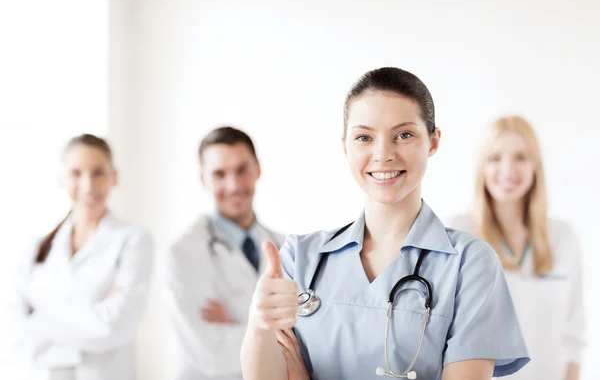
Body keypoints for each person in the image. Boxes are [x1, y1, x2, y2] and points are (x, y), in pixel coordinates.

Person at [240, 67, 530, 380]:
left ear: (433, 142)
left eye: (404, 135)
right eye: (364, 137)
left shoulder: (469, 264)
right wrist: (260, 323)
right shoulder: (300, 257)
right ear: (345, 146)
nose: (383, 154)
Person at [5, 134, 154, 380]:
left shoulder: (134, 241)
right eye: (76, 173)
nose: (88, 185)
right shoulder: (35, 251)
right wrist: (88, 316)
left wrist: (40, 317)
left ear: (114, 177)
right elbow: (11, 331)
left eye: (98, 172)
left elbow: (114, 326)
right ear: (62, 178)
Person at [448, 115, 585, 380]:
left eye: (521, 157)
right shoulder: (458, 233)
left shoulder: (563, 237)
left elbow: (574, 335)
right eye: (495, 158)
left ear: (536, 166)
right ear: (482, 167)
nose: (508, 170)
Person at [165, 127, 285, 380]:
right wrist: (276, 331)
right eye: (219, 174)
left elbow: (307, 338)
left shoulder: (285, 246)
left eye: (242, 170)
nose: (233, 185)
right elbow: (210, 351)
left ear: (258, 169)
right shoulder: (183, 251)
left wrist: (237, 324)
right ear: (203, 178)